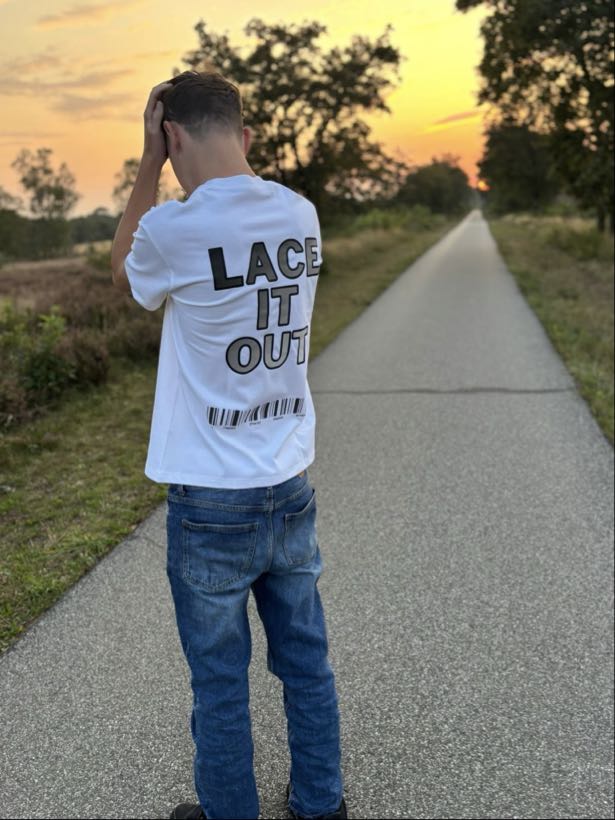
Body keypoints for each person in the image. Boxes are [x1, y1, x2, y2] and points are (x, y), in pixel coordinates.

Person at [110, 71, 347, 820]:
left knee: (219, 682)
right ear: (244, 135)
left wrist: (146, 167)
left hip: (211, 497)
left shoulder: (176, 228)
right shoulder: (300, 214)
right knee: (305, 664)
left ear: (170, 136)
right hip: (289, 481)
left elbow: (127, 273)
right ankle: (320, 805)